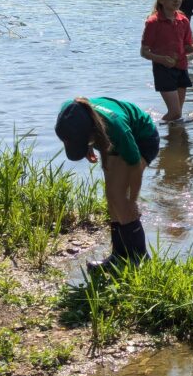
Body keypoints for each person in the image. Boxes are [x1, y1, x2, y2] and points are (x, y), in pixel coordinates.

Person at [54, 97, 160, 272]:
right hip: (110, 138)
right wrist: (86, 146)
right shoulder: (69, 113)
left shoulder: (116, 127)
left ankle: (141, 260)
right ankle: (119, 256)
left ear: (92, 131)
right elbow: (79, 132)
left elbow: (135, 167)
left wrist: (132, 198)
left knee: (121, 198)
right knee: (111, 196)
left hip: (142, 138)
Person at [141, 0, 193, 123]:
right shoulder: (153, 22)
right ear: (161, 0)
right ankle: (152, 129)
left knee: (177, 114)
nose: (177, 0)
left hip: (181, 68)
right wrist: (161, 59)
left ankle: (174, 136)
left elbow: (187, 49)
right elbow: (144, 52)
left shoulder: (183, 20)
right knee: (174, 113)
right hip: (163, 70)